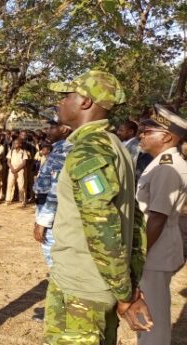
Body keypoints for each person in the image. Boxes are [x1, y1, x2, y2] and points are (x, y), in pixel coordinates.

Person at [44, 71, 151, 344]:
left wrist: (125, 292)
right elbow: (135, 220)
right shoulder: (113, 145)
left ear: (85, 102)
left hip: (81, 289)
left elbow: (102, 225)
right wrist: (128, 284)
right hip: (97, 285)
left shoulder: (90, 150)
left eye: (66, 96)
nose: (60, 102)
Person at [134, 104, 187, 345]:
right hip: (156, 245)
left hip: (154, 248)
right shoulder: (160, 163)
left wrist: (139, 254)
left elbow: (157, 217)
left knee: (153, 315)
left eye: (147, 131)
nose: (141, 135)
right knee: (147, 311)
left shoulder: (167, 168)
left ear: (166, 137)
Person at [31, 112, 73, 321]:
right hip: (48, 209)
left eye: (52, 127)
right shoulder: (58, 149)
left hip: (54, 216)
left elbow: (56, 191)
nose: (48, 131)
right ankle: (58, 308)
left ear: (64, 129)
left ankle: (60, 312)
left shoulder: (65, 151)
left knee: (57, 264)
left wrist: (43, 221)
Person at [5, 138, 30, 206]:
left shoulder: (23, 152)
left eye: (16, 143)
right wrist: (12, 168)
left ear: (20, 144)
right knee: (10, 184)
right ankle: (8, 200)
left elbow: (24, 163)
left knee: (21, 185)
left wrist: (17, 169)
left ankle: (22, 200)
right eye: (14, 143)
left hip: (20, 170)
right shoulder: (11, 151)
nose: (14, 144)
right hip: (12, 170)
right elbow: (8, 162)